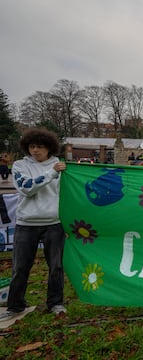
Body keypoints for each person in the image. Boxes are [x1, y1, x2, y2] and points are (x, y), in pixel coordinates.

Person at [0, 128, 68, 321]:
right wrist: (51, 173)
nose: (35, 150)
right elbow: (26, 188)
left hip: (54, 223)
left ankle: (55, 303)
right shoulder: (20, 165)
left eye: (40, 147)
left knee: (56, 266)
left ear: (49, 148)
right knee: (20, 267)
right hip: (26, 223)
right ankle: (15, 306)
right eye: (31, 146)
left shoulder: (60, 165)